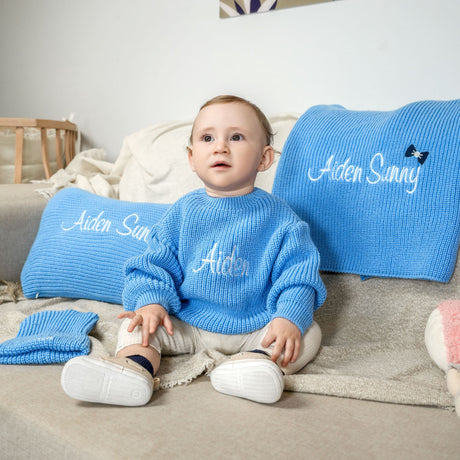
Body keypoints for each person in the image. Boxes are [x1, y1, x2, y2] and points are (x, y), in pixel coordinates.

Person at [61, 95, 327, 406]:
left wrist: (288, 318)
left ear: (265, 158)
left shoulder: (283, 221)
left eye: (236, 137)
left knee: (308, 332)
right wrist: (151, 303)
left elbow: (298, 276)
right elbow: (152, 266)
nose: (220, 147)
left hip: (256, 325)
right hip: (187, 322)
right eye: (207, 138)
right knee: (136, 324)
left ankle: (255, 364)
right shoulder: (182, 213)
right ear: (191, 157)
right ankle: (135, 368)